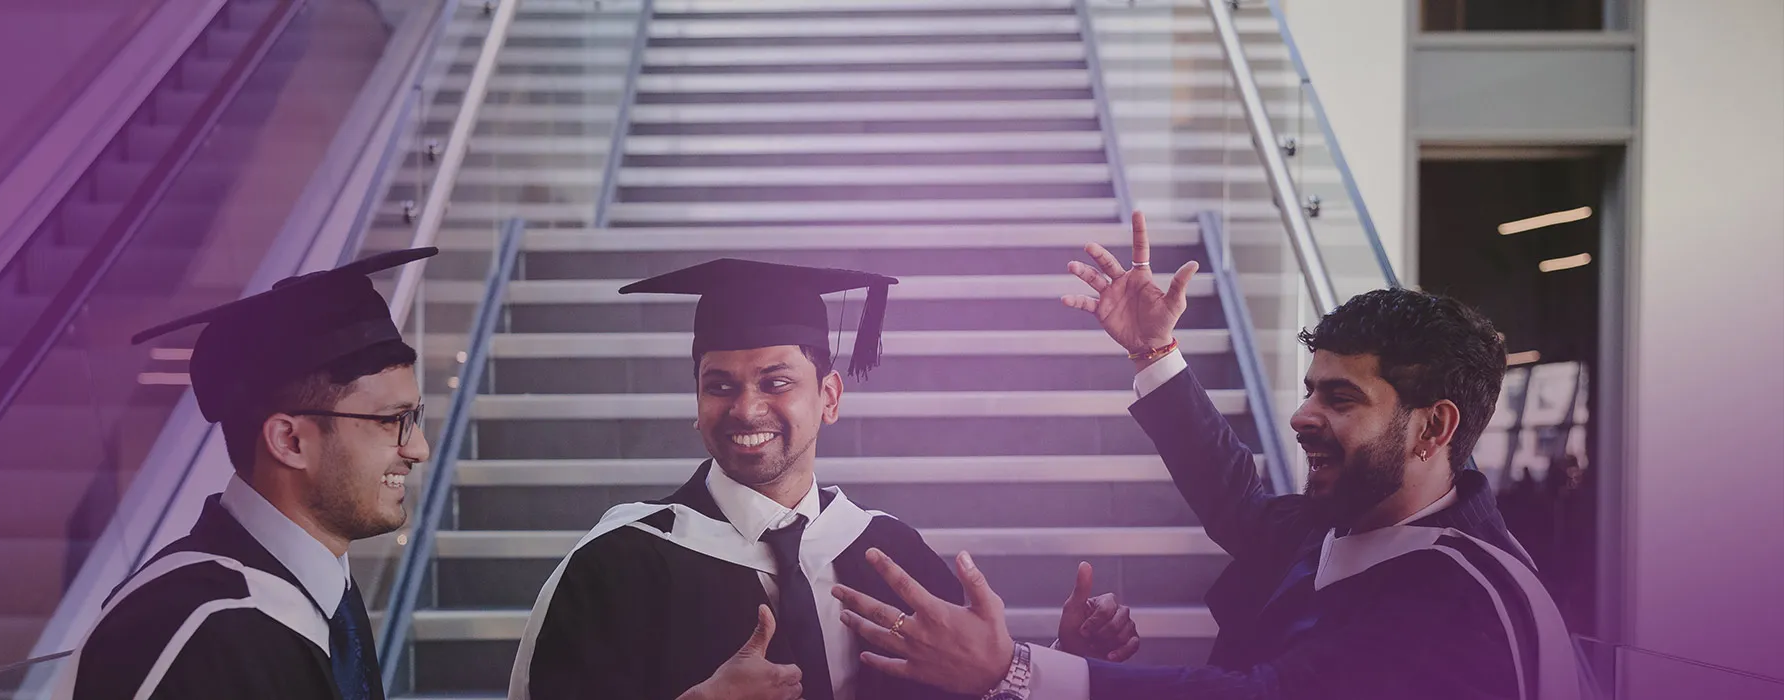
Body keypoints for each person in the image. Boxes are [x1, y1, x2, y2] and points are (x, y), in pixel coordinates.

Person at [832, 213, 1585, 700]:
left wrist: (1014, 672)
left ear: (1433, 427)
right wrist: (1156, 353)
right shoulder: (1359, 520)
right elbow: (1242, 508)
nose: (1301, 415)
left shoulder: (1458, 604)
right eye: (1308, 389)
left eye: (1341, 399)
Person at [508, 259, 1143, 700]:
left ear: (830, 396)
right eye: (719, 385)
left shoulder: (888, 553)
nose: (745, 408)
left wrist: (1058, 655)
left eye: (776, 381)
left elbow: (966, 687)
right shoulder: (614, 566)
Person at [57, 248, 438, 699]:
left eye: (414, 417)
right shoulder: (189, 630)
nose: (418, 448)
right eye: (391, 420)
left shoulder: (325, 593)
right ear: (289, 441)